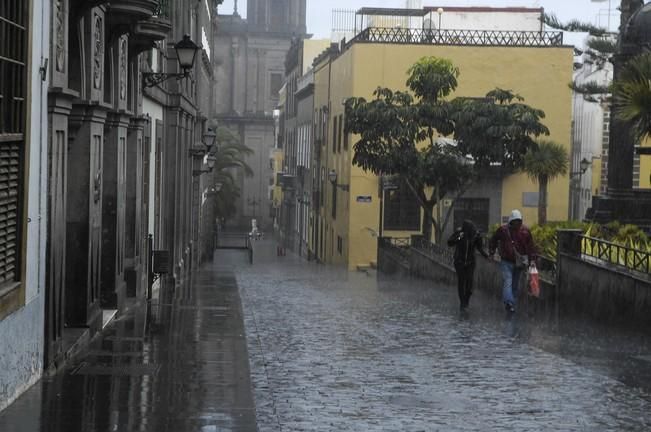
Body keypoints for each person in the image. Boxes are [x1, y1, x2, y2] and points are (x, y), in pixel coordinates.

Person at [488, 209, 536, 313]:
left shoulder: (505, 230)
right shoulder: (520, 231)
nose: (517, 223)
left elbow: (530, 247)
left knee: (512, 283)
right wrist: (531, 260)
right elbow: (531, 248)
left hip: (515, 262)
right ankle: (509, 303)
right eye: (516, 221)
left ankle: (510, 304)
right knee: (509, 282)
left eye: (518, 221)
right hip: (508, 262)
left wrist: (532, 260)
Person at [447, 220, 489, 312]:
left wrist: (486, 256)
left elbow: (479, 248)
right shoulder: (460, 233)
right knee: (462, 281)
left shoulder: (476, 235)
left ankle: (466, 301)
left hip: (470, 262)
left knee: (469, 283)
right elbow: (450, 242)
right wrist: (458, 237)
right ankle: (462, 303)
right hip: (459, 262)